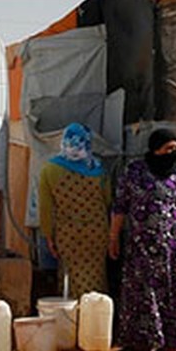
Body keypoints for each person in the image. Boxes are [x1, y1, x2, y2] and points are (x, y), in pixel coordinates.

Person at [109, 128, 176, 351]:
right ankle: (139, 346)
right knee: (140, 293)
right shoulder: (134, 172)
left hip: (173, 251)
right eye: (168, 149)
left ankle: (170, 347)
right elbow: (120, 206)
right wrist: (113, 237)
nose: (173, 153)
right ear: (154, 148)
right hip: (141, 248)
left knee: (172, 294)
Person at [38, 122, 111, 298]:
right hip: (97, 233)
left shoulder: (49, 170)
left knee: (70, 277)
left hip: (68, 234)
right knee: (96, 276)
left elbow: (46, 208)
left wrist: (48, 235)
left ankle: (72, 316)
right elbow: (108, 201)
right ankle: (96, 314)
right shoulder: (98, 169)